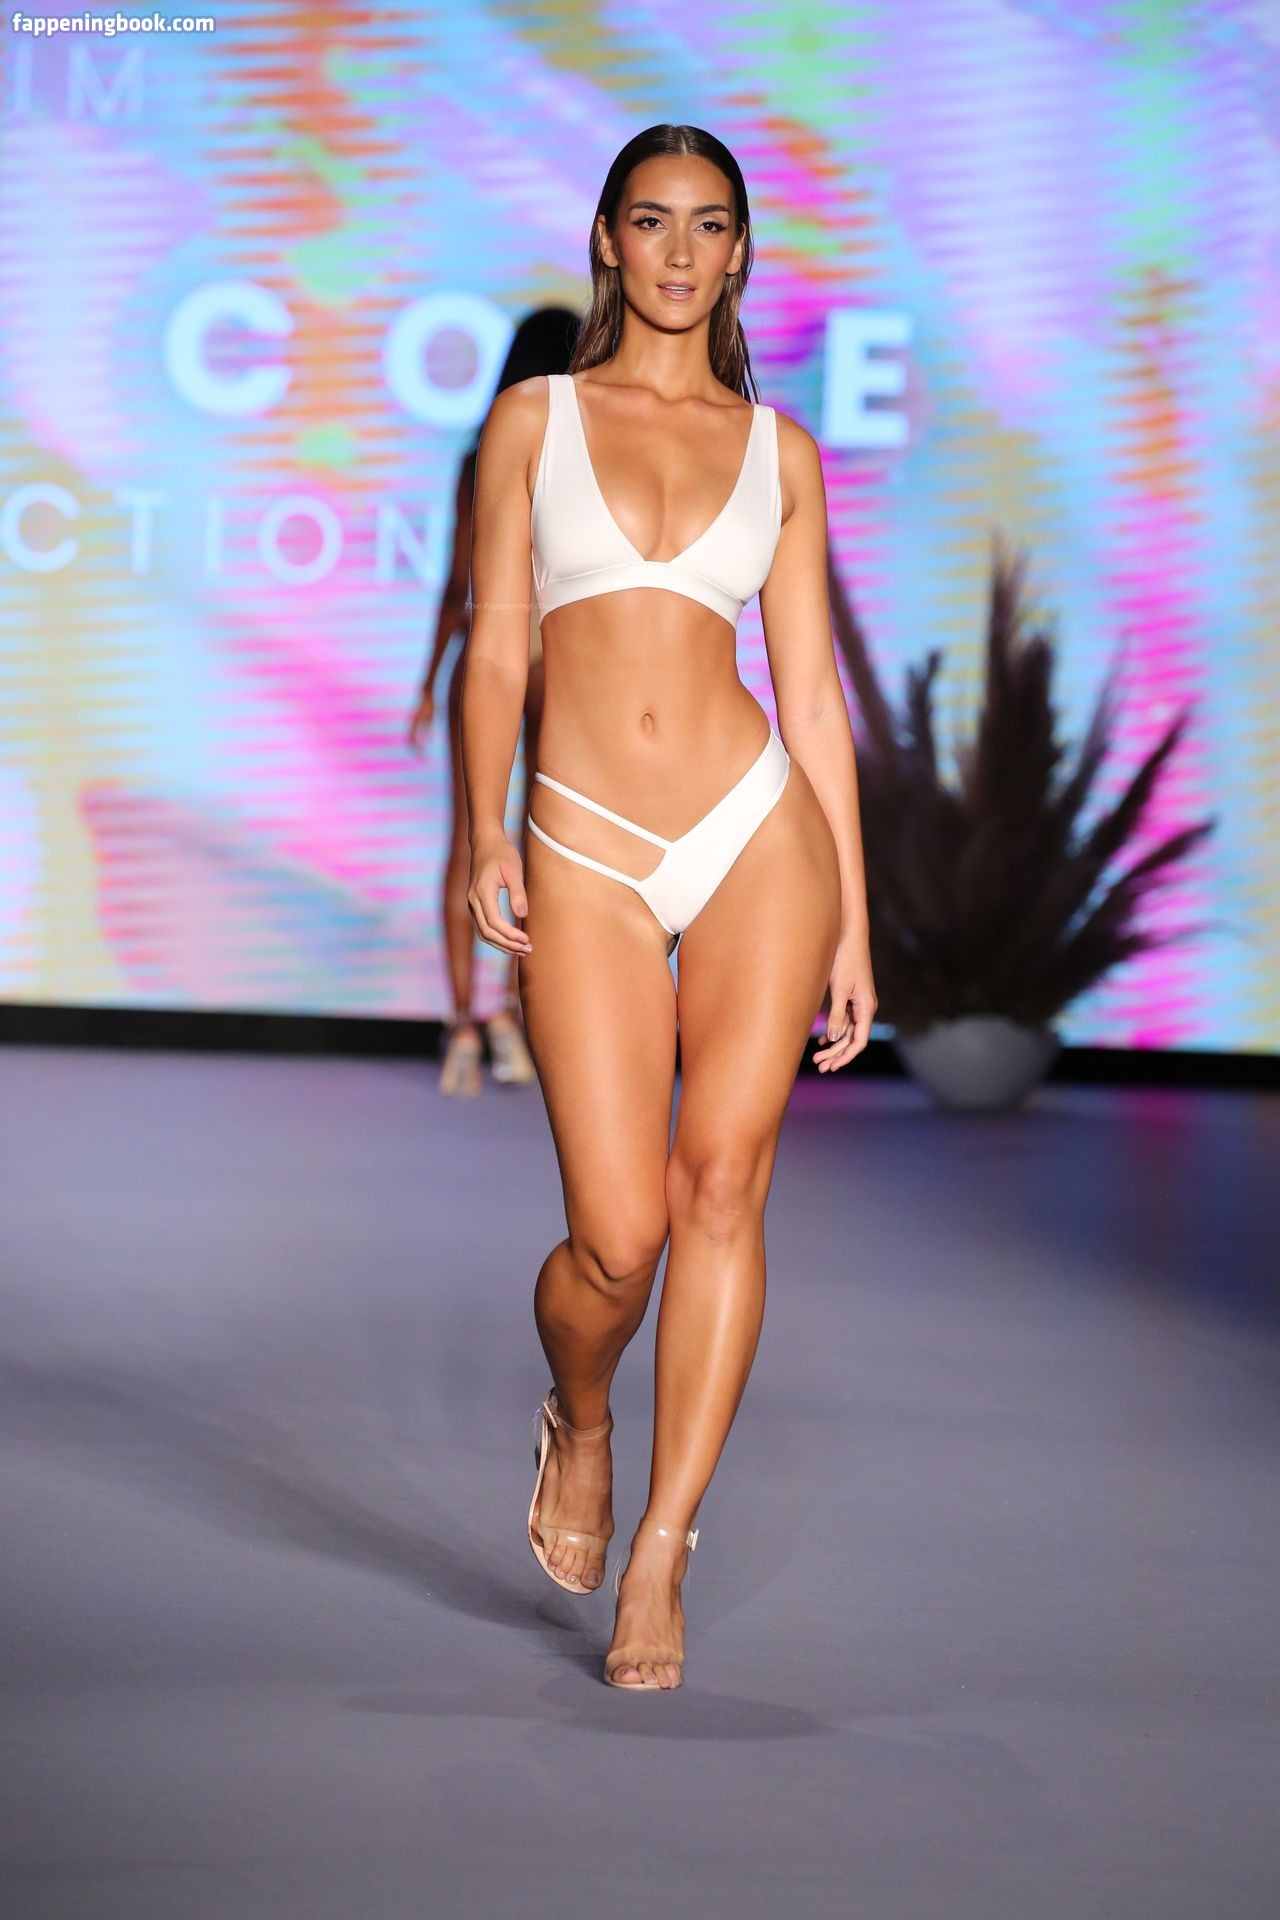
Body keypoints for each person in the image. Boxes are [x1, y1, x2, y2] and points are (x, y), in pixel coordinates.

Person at [462, 125, 876, 1690]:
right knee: (617, 1235)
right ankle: (581, 1415)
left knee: (722, 1188)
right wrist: (481, 833)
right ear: (609, 239)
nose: (682, 253)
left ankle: (663, 1547)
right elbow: (500, 650)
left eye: (710, 226)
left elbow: (813, 700)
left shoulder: (780, 453)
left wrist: (854, 918)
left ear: (741, 250)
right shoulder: (535, 420)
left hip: (755, 827)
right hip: (583, 841)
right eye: (653, 222)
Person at [407, 308, 580, 1096]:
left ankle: (464, 1026)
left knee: (469, 841)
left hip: (486, 652)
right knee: (539, 844)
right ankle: (514, 1015)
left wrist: (425, 682)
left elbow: (458, 583)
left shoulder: (484, 459)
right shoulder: (585, 454)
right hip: (557, 662)